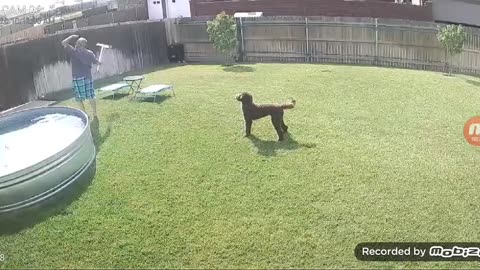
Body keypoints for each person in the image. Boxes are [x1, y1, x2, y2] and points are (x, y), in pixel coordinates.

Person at [61, 34, 100, 118]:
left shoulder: (73, 51)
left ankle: (85, 114)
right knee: (91, 95)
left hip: (78, 78)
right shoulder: (89, 53)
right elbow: (96, 62)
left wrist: (71, 36)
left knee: (79, 98)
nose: (76, 44)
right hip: (87, 77)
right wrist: (99, 62)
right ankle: (95, 113)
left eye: (77, 42)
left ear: (79, 44)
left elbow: (63, 42)